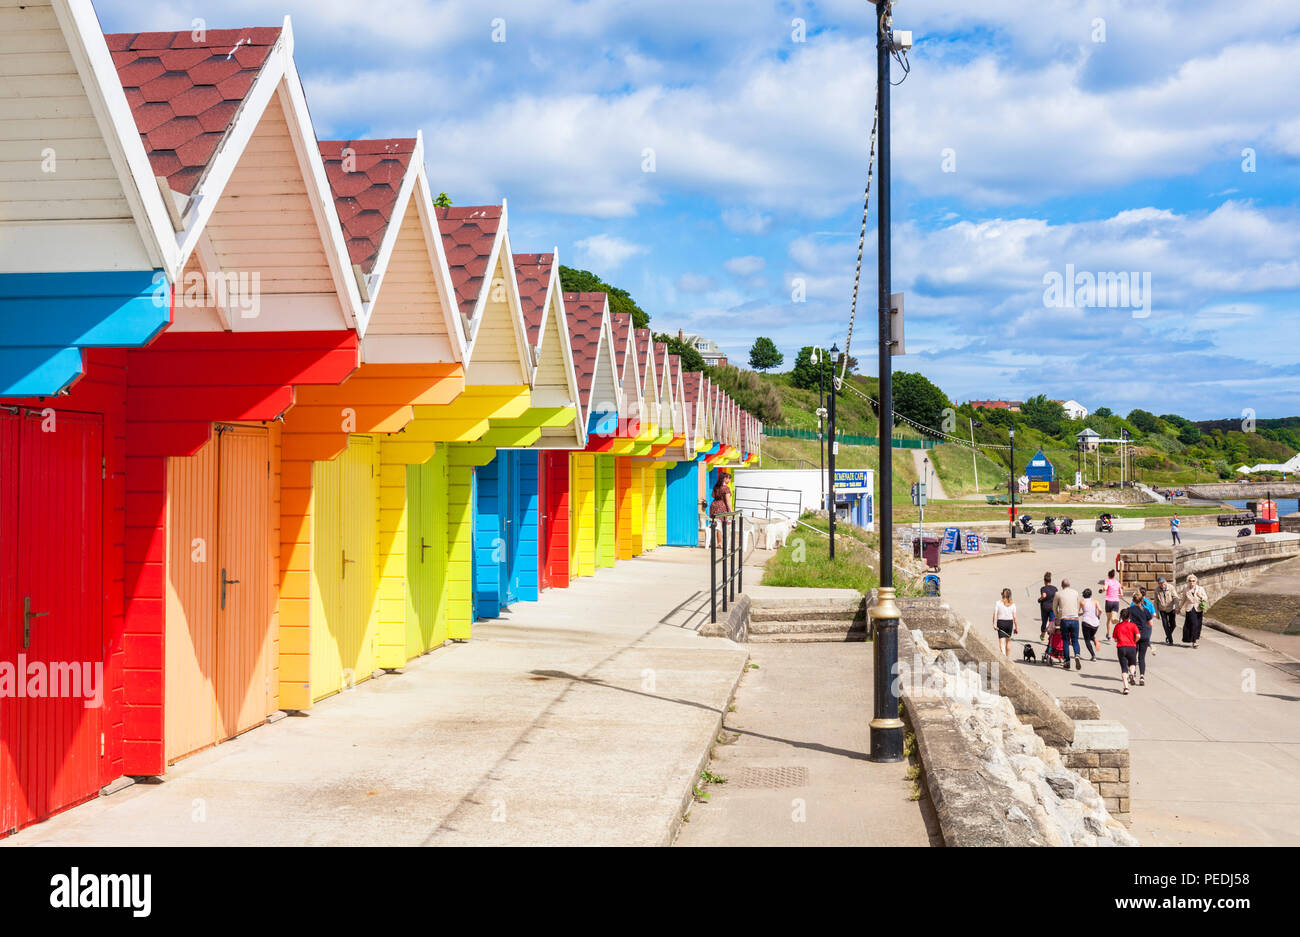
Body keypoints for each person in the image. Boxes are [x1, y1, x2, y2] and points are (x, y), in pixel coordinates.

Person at [1052, 577, 1083, 670]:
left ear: (1062, 586)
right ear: (1069, 585)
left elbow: (1054, 607)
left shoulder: (1058, 594)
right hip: (1074, 619)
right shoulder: (1075, 592)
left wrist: (1057, 616)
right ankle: (1077, 654)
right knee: (1075, 640)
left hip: (1064, 619)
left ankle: (1067, 661)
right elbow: (1078, 605)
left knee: (1065, 641)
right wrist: (1076, 613)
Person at [1128, 588, 1154, 685]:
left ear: (1133, 600)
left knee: (1132, 656)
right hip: (1144, 635)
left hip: (1134, 635)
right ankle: (1142, 677)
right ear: (1142, 600)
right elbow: (1151, 624)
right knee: (1142, 657)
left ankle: (1133, 674)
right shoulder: (1146, 610)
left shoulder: (1129, 610)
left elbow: (1126, 622)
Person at [1114, 608, 1141, 694]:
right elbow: (1138, 635)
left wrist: (1119, 639)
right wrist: (1134, 641)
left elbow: (1115, 638)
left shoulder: (1117, 626)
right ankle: (1132, 674)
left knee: (1124, 668)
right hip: (1131, 647)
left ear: (1121, 617)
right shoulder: (1133, 625)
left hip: (1121, 648)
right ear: (1129, 616)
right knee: (1132, 664)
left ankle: (1126, 688)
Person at [1179, 574, 1209, 648]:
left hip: (1198, 608)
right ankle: (1194, 641)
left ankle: (1195, 638)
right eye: (1190, 581)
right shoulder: (1186, 589)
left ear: (1196, 581)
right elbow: (1183, 599)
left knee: (1198, 624)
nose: (1191, 582)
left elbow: (1206, 598)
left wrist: (1200, 596)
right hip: (1190, 609)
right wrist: (1179, 608)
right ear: (1188, 581)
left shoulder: (1200, 589)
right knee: (1194, 624)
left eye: (1193, 581)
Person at [994, 587, 1018, 657]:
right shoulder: (1013, 604)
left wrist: (994, 624)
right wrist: (1016, 628)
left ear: (1002, 594)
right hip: (1009, 623)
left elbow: (995, 614)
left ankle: (1004, 657)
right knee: (1008, 642)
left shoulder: (998, 603)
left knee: (1002, 643)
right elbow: (1015, 617)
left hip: (1001, 623)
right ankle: (1007, 657)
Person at [1153, 576, 1178, 645]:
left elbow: (1175, 597)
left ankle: (1168, 635)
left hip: (1171, 608)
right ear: (1158, 584)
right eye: (1160, 583)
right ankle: (1170, 640)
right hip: (1162, 609)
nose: (1162, 585)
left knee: (1173, 625)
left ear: (1166, 582)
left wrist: (1177, 608)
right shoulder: (1156, 590)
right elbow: (1155, 602)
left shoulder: (1171, 587)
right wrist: (1157, 613)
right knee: (1165, 625)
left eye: (1163, 583)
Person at [1080, 587, 1102, 661]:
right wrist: (1098, 616)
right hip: (1095, 623)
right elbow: (1100, 610)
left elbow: (1078, 612)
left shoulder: (1082, 602)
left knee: (1087, 640)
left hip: (1086, 622)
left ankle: (1093, 655)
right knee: (1091, 636)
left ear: (1083, 595)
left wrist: (1082, 613)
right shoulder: (1095, 601)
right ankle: (1095, 640)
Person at [1102, 569, 1122, 640]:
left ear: (1108, 575)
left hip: (1109, 601)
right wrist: (1117, 594)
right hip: (1116, 601)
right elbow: (1121, 594)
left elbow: (1105, 588)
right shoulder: (1117, 582)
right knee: (1113, 617)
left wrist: (1102, 590)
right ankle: (1116, 620)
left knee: (1108, 619)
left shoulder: (1107, 581)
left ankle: (1108, 634)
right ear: (1114, 576)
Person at [1038, 572, 1057, 641]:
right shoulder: (1055, 588)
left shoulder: (1043, 588)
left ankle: (1043, 635)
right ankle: (1051, 637)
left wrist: (1039, 599)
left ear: (1044, 581)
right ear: (1050, 581)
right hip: (1052, 608)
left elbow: (1043, 595)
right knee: (1051, 622)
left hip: (1044, 608)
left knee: (1044, 622)